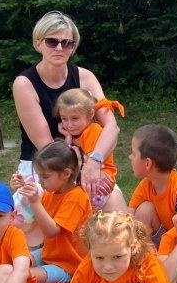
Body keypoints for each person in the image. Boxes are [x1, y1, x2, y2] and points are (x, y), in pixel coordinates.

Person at [12, 11, 125, 211]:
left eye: (67, 43)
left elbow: (112, 127)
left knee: (117, 215)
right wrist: (82, 169)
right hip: (44, 166)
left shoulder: (85, 77)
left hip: (89, 161)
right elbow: (48, 148)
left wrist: (95, 162)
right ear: (38, 43)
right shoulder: (25, 84)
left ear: (73, 47)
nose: (59, 48)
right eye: (51, 42)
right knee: (38, 220)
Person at [12, 140, 89, 283]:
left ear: (66, 174)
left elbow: (51, 231)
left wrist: (35, 201)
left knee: (22, 276)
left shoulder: (76, 197)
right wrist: (22, 188)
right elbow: (34, 215)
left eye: (45, 177)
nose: (40, 182)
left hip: (69, 265)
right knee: (13, 263)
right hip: (49, 253)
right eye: (39, 176)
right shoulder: (52, 192)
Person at [52, 87, 126, 209]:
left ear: (91, 114)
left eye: (75, 118)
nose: (69, 125)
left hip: (98, 183)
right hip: (90, 183)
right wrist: (68, 137)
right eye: (64, 119)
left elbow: (84, 162)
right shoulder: (76, 134)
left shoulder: (93, 130)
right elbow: (67, 157)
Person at [128, 124, 177, 240]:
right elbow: (128, 216)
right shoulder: (146, 185)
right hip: (166, 239)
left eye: (134, 153)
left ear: (148, 164)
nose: (130, 157)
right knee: (144, 210)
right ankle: (144, 250)